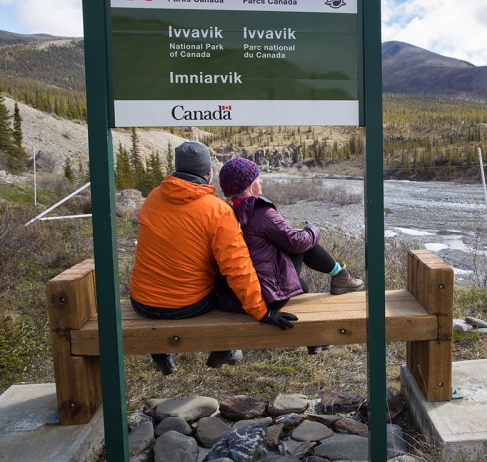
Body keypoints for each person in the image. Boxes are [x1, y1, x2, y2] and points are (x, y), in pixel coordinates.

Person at [129, 141, 298, 375]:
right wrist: (262, 312)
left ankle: (161, 354)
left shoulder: (153, 198)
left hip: (141, 302)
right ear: (208, 175)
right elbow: (238, 267)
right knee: (221, 282)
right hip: (188, 306)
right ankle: (224, 349)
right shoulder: (217, 210)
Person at [218, 157, 364, 354]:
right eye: (258, 178)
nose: (261, 181)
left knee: (301, 285)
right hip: (266, 296)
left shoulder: (225, 211)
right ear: (249, 185)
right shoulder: (259, 211)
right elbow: (297, 243)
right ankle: (340, 276)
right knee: (303, 242)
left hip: (233, 296)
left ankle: (314, 337)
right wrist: (313, 229)